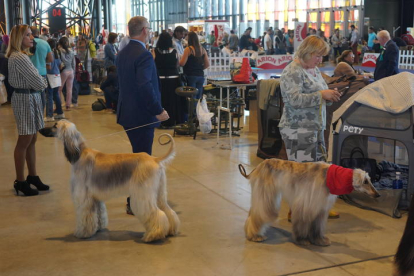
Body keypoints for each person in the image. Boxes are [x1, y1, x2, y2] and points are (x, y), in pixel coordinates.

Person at [278, 35, 341, 220]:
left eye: (322, 56)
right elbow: (294, 100)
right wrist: (321, 95)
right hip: (298, 129)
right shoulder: (292, 71)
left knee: (318, 171)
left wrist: (330, 97)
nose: (320, 60)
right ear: (307, 52)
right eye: (318, 56)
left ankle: (319, 206)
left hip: (316, 127)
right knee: (302, 175)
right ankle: (296, 211)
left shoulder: (313, 70)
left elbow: (320, 95)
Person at [116, 16, 169, 214]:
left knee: (138, 157)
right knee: (144, 162)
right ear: (145, 30)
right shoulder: (144, 55)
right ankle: (138, 202)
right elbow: (145, 85)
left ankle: (135, 199)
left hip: (127, 113)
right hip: (142, 115)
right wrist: (158, 110)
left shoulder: (122, 53)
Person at [6, 24, 49, 196]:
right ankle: (21, 180)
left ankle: (32, 176)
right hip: (25, 98)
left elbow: (37, 81)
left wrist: (40, 83)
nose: (31, 38)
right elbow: (39, 82)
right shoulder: (19, 58)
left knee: (32, 139)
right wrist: (43, 83)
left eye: (31, 34)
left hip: (31, 97)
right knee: (25, 140)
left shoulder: (22, 56)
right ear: (19, 38)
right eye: (28, 35)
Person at [153, 32, 185, 127]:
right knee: (173, 101)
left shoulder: (155, 51)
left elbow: (153, 65)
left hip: (160, 80)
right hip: (173, 79)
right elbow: (177, 65)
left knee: (162, 101)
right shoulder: (174, 51)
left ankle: (162, 121)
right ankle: (173, 120)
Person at [179, 32, 210, 100]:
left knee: (192, 98)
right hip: (200, 76)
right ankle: (197, 110)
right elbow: (207, 64)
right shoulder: (202, 49)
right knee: (198, 98)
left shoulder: (188, 49)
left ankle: (192, 110)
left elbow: (182, 63)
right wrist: (200, 68)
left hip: (191, 75)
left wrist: (177, 61)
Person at [45, 39, 65, 121]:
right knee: (56, 95)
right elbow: (60, 66)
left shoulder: (49, 54)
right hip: (57, 75)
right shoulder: (57, 53)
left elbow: (48, 66)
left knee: (49, 96)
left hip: (50, 76)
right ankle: (60, 113)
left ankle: (50, 115)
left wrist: (43, 66)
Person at [58, 36, 76, 110]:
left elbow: (60, 61)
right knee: (69, 89)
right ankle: (68, 105)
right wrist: (73, 71)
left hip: (64, 71)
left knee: (59, 89)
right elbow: (73, 63)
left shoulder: (60, 51)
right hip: (71, 71)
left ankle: (59, 104)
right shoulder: (71, 51)